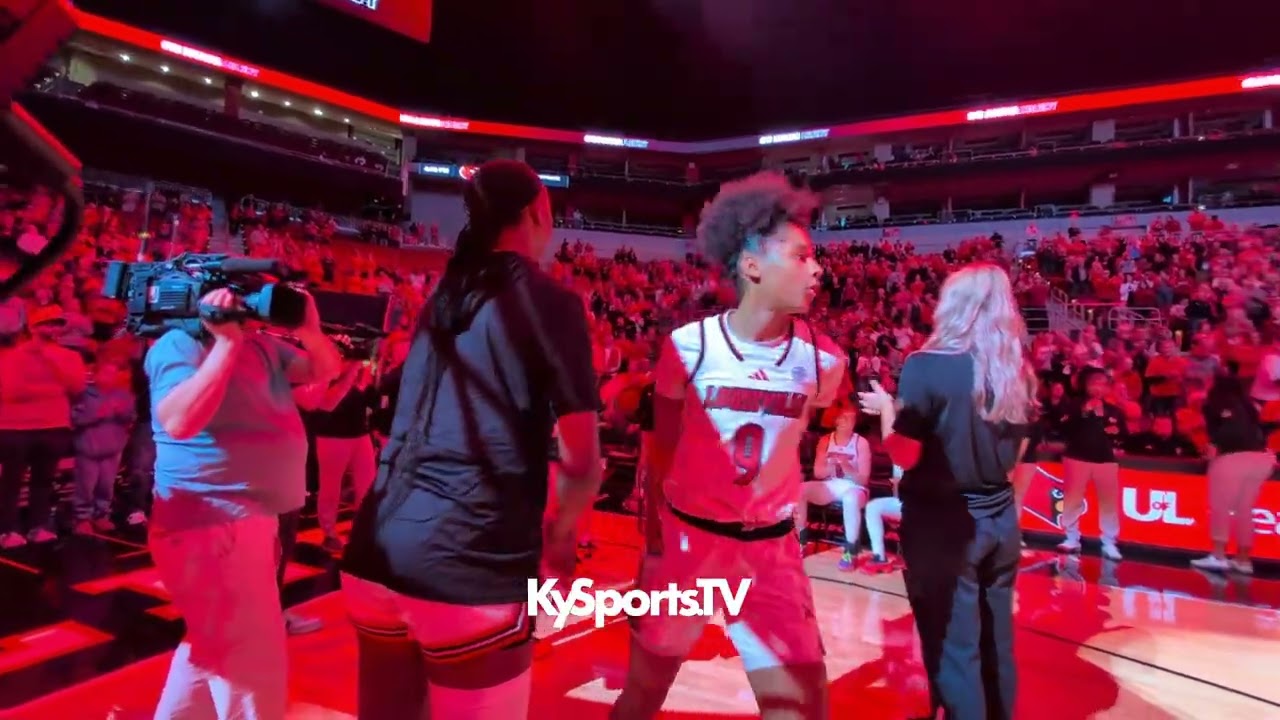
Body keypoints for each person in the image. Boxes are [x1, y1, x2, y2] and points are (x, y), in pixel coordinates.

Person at [340, 160, 604, 720]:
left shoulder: (445, 296)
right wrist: (561, 540)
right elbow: (583, 460)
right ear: (537, 212)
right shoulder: (550, 301)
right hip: (469, 563)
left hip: (374, 552)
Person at [611, 171, 846, 720]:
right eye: (801, 256)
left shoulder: (825, 360)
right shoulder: (687, 347)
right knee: (642, 696)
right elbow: (660, 449)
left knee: (803, 709)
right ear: (752, 266)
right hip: (689, 543)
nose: (817, 268)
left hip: (771, 550)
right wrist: (654, 543)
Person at [146, 287, 339, 719]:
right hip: (209, 523)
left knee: (212, 646)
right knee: (251, 658)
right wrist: (226, 343)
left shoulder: (263, 345)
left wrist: (309, 329)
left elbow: (325, 368)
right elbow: (178, 420)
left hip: (247, 520)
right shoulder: (179, 342)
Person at [859, 263, 1036, 720]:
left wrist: (888, 410)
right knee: (995, 643)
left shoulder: (927, 365)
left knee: (953, 649)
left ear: (952, 307)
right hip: (1000, 519)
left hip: (944, 524)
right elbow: (1017, 460)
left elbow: (904, 454)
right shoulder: (1016, 371)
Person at [0, 305, 85, 548]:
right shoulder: (13, 355)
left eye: (57, 323)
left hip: (54, 425)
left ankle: (38, 527)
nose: (53, 328)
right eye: (47, 323)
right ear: (33, 327)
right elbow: (13, 391)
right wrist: (54, 389)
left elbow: (77, 387)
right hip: (14, 427)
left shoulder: (70, 356)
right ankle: (6, 530)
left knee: (44, 481)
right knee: (11, 482)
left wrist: (50, 361)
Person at [1192, 364, 1274, 574]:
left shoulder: (1216, 403)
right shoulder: (1249, 405)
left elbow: (1228, 430)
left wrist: (1213, 447)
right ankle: (1243, 560)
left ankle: (1218, 556)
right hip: (1262, 459)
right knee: (1244, 509)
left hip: (1233, 458)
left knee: (1220, 507)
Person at [1056, 366, 1127, 560]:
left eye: (1103, 384)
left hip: (1106, 461)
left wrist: (1116, 439)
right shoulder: (1073, 406)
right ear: (1086, 385)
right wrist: (1085, 412)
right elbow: (1063, 428)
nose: (1098, 387)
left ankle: (1109, 542)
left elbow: (1122, 434)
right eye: (1094, 383)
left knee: (1108, 502)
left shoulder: (1114, 411)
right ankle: (1071, 538)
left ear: (1107, 388)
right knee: (1072, 500)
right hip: (1076, 458)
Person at [798, 404, 872, 570]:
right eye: (844, 418)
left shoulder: (861, 443)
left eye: (851, 419)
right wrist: (831, 467)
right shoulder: (825, 441)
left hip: (855, 488)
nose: (848, 422)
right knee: (800, 489)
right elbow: (818, 473)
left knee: (850, 498)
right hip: (831, 484)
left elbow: (864, 479)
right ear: (836, 420)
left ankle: (851, 550)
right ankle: (801, 541)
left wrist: (847, 467)